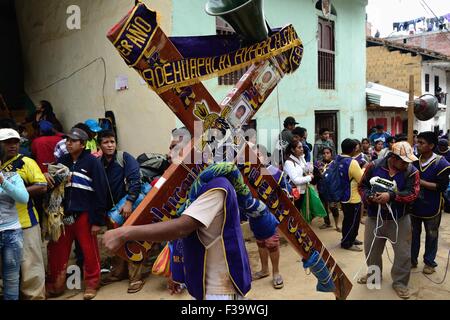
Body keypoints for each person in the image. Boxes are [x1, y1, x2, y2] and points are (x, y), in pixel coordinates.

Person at [103, 164, 255, 301]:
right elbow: (185, 235)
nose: (170, 155)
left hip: (220, 288)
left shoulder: (216, 187)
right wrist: (177, 273)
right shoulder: (194, 189)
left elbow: (181, 228)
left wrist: (123, 233)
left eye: (176, 148)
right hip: (207, 283)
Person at [45, 127, 107, 300]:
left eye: (73, 141)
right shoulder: (62, 160)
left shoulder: (92, 162)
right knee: (58, 251)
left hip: (85, 214)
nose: (68, 143)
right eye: (67, 140)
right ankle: (55, 286)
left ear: (83, 143)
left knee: (89, 251)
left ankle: (92, 284)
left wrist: (97, 220)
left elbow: (101, 191)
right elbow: (53, 185)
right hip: (63, 215)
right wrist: (45, 175)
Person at [357, 141, 420, 299]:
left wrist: (391, 196)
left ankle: (399, 283)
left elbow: (413, 193)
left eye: (408, 161)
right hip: (374, 217)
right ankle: (374, 276)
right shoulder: (374, 166)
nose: (407, 164)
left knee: (403, 253)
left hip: (400, 218)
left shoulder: (412, 172)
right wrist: (369, 197)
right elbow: (361, 186)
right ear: (393, 157)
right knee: (372, 250)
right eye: (404, 161)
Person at [0, 128, 47, 300]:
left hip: (26, 222)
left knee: (31, 268)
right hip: (3, 226)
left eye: (15, 142)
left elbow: (42, 185)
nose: (12, 146)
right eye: (7, 142)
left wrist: (14, 191)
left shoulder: (25, 162)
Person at [98, 130, 145, 293]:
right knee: (117, 243)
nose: (110, 145)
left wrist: (130, 201)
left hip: (127, 208)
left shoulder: (124, 157)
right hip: (111, 212)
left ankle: (135, 278)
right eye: (106, 142)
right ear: (100, 145)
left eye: (112, 142)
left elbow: (135, 180)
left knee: (132, 240)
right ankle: (119, 273)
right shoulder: (99, 162)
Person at [411, 132, 450, 275]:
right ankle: (412, 259)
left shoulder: (442, 163)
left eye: (421, 143)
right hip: (414, 205)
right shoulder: (414, 161)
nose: (418, 145)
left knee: (432, 235)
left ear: (432, 146)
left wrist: (420, 182)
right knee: (413, 234)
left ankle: (429, 262)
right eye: (417, 142)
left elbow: (441, 187)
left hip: (432, 205)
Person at [251, 144, 286, 289]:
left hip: (270, 214)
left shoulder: (275, 173)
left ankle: (276, 273)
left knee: (272, 244)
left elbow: (284, 191)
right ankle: (264, 269)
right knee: (260, 242)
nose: (254, 158)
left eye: (257, 155)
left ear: (265, 157)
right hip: (254, 214)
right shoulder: (248, 175)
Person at [0, 143, 29, 300]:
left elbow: (23, 198)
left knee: (11, 279)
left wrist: (2, 181)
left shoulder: (12, 177)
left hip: (12, 233)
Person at [336, 139, 364, 251]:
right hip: (352, 196)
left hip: (342, 195)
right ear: (353, 150)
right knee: (352, 221)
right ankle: (347, 243)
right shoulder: (352, 162)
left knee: (348, 220)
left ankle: (351, 238)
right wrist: (364, 169)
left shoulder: (338, 159)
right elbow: (361, 179)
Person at [283, 137, 313, 211]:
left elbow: (307, 169)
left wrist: (308, 165)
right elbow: (295, 180)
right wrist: (309, 178)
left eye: (302, 147)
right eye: (299, 147)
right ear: (293, 150)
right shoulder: (289, 163)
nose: (302, 149)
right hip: (294, 193)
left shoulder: (301, 158)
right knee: (296, 212)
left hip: (303, 191)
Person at [314, 147, 340, 231]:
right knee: (324, 207)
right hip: (322, 188)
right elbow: (315, 177)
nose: (326, 155)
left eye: (328, 153)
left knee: (333, 207)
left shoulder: (335, 164)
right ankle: (327, 222)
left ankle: (337, 225)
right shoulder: (318, 164)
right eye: (324, 153)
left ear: (331, 154)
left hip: (332, 190)